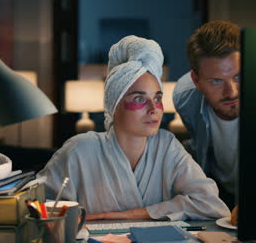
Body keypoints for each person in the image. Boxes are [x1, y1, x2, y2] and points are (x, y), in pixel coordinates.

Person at [37, 35, 230, 221]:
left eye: (157, 98)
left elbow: (211, 204)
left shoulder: (167, 147)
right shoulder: (80, 150)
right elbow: (37, 205)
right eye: (139, 99)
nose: (154, 109)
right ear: (114, 105)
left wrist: (115, 216)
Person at [173, 21, 240, 210]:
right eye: (217, 81)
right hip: (218, 192)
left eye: (238, 77)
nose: (232, 92)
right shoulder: (184, 98)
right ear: (196, 80)